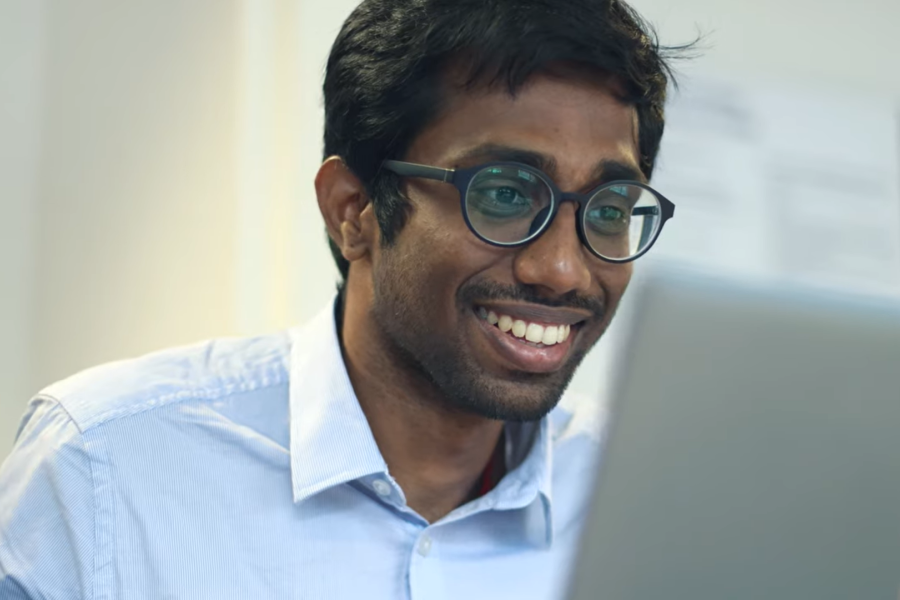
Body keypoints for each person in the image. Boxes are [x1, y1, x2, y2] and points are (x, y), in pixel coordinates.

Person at [0, 0, 685, 597]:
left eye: (609, 207)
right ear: (353, 210)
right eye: (503, 194)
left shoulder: (652, 505)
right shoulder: (101, 467)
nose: (563, 269)